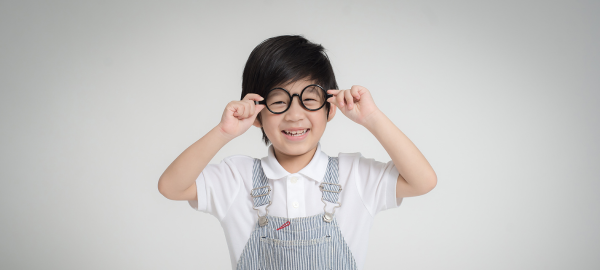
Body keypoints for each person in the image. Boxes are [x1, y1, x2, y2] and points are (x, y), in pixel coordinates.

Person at [158, 35, 437, 270]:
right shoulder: (237, 178)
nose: (294, 115)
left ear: (330, 110)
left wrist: (372, 117)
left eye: (309, 100)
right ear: (257, 114)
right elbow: (171, 186)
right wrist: (223, 132)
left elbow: (422, 181)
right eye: (278, 101)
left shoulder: (354, 176)